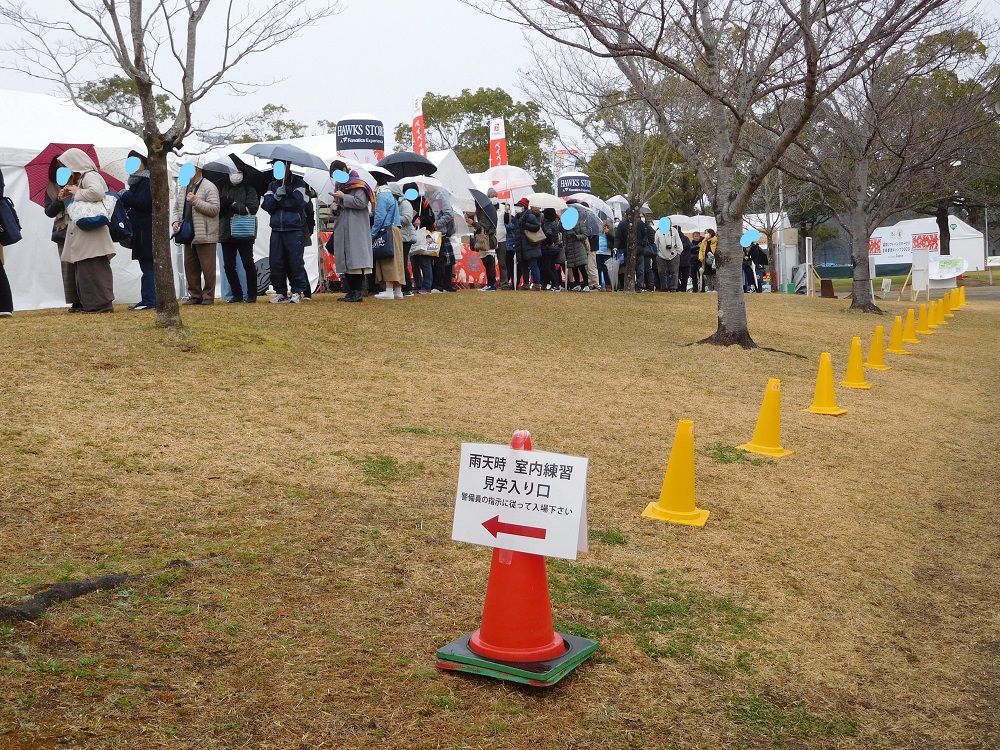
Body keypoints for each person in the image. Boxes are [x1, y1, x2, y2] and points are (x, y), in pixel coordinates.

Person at [58, 148, 117, 313]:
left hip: (92, 232)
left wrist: (77, 191)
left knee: (93, 269)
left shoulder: (90, 175)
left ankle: (99, 305)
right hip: (87, 232)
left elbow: (97, 193)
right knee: (87, 269)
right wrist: (66, 194)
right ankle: (93, 304)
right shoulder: (81, 177)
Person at [172, 161, 220, 305]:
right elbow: (176, 208)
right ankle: (195, 295)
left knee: (208, 268)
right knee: (190, 266)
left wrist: (196, 201)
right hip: (187, 233)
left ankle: (208, 296)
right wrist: (175, 221)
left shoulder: (209, 186)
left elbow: (215, 209)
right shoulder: (184, 187)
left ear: (197, 169)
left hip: (205, 233)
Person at [261, 160, 309, 304]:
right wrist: (276, 197)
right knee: (276, 262)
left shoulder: (300, 183)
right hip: (276, 229)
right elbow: (266, 205)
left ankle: (297, 291)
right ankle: (280, 292)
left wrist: (281, 199)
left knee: (295, 262)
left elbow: (299, 203)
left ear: (288, 166)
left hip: (294, 228)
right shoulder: (272, 185)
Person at [330, 160, 374, 303]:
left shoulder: (359, 184)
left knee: (356, 259)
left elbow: (361, 203)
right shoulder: (339, 186)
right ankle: (351, 291)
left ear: (344, 169)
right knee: (345, 259)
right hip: (342, 225)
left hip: (356, 226)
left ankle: (357, 291)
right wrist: (334, 206)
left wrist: (344, 197)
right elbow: (335, 204)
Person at [217, 166, 260, 303]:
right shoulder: (223, 188)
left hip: (244, 231)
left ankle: (252, 294)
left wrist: (234, 204)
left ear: (243, 174)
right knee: (228, 266)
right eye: (232, 172)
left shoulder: (249, 189)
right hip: (226, 231)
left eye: (238, 172)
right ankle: (237, 294)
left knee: (248, 263)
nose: (235, 175)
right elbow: (217, 209)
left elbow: (252, 209)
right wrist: (223, 206)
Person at [118, 153, 155, 310]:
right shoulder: (136, 183)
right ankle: (148, 299)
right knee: (146, 267)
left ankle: (150, 300)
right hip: (140, 231)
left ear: (144, 164)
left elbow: (143, 202)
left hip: (145, 232)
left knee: (148, 267)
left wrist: (125, 195)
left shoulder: (146, 182)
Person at [44, 158, 80, 311]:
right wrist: (58, 200)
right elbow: (48, 211)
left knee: (82, 263)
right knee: (67, 266)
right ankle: (75, 301)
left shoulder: (79, 182)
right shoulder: (51, 187)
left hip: (79, 227)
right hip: (62, 230)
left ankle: (87, 296)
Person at [372, 181, 405, 300]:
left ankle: (389, 290)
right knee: (398, 260)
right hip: (396, 229)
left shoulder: (381, 195)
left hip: (387, 230)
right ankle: (398, 290)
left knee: (388, 260)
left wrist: (373, 233)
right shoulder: (391, 194)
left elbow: (380, 216)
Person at [430, 188, 456, 292]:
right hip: (437, 233)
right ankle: (445, 285)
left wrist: (437, 223)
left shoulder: (440, 195)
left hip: (440, 232)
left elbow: (448, 214)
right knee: (444, 259)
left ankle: (440, 285)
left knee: (441, 260)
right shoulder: (431, 197)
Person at [468, 205, 498, 291]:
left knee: (489, 263)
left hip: (487, 241)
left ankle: (491, 285)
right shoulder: (487, 214)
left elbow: (484, 227)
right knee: (488, 263)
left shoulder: (486, 215)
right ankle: (491, 284)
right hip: (488, 240)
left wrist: (473, 223)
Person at [395, 183, 418, 296]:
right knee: (400, 262)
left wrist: (393, 217)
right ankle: (404, 287)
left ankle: (407, 288)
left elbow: (407, 218)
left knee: (402, 262)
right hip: (400, 236)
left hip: (406, 237)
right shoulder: (399, 203)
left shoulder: (404, 203)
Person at [655, 221, 683, 292]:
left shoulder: (674, 231)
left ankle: (673, 288)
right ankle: (664, 287)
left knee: (674, 272)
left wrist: (678, 252)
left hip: (674, 255)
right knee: (661, 272)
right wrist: (657, 253)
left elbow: (678, 242)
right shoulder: (658, 232)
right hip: (661, 255)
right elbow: (656, 243)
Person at [541, 207, 563, 291]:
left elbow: (548, 234)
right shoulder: (554, 223)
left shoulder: (547, 224)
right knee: (552, 267)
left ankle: (555, 284)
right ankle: (557, 284)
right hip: (555, 249)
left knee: (547, 267)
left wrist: (548, 243)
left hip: (549, 249)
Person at [598, 221, 615, 291]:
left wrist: (608, 232)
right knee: (598, 269)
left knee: (606, 270)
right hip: (598, 251)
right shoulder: (597, 228)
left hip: (607, 252)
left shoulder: (610, 228)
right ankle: (600, 285)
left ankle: (608, 285)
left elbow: (614, 238)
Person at [676, 225, 692, 292]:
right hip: (676, 260)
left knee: (684, 276)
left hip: (684, 261)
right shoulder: (673, 238)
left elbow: (688, 246)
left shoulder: (685, 238)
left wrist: (680, 245)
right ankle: (678, 287)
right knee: (676, 275)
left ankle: (683, 288)